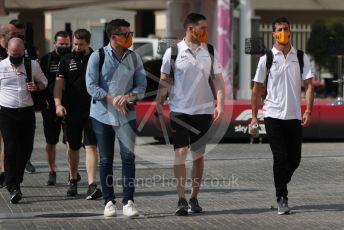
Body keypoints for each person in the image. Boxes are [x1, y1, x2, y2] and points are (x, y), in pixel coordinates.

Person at [157, 13, 225, 216]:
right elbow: (164, 79)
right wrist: (159, 103)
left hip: (203, 112)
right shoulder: (174, 52)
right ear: (190, 29)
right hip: (179, 110)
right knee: (180, 153)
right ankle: (181, 199)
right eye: (202, 28)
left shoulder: (210, 51)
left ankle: (194, 197)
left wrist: (220, 105)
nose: (206, 31)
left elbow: (219, 81)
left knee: (198, 156)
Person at [249, 17, 314, 215]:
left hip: (294, 115)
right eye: (279, 29)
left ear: (291, 32)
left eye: (285, 29)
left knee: (294, 159)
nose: (283, 32)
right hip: (272, 115)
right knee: (280, 157)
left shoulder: (301, 57)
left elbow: (309, 85)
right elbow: (256, 89)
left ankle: (279, 183)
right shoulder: (266, 58)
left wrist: (308, 110)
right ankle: (281, 197)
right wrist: (254, 117)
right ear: (273, 34)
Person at [86, 19, 147, 217]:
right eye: (126, 34)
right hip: (102, 115)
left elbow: (142, 86)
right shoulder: (98, 56)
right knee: (105, 160)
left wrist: (128, 96)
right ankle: (108, 201)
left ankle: (128, 201)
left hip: (126, 115)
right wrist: (112, 99)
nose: (130, 37)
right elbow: (91, 85)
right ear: (114, 37)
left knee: (128, 158)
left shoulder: (134, 57)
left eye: (131, 33)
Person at [54, 29, 102, 200]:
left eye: (80, 44)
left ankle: (91, 184)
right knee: (73, 146)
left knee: (91, 146)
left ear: (88, 43)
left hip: (92, 110)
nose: (76, 47)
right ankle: (73, 178)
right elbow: (59, 84)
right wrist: (58, 104)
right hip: (71, 110)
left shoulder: (97, 58)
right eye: (75, 43)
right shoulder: (66, 59)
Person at [0, 38, 47, 203]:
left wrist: (37, 86)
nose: (16, 57)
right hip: (6, 112)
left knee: (26, 149)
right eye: (13, 54)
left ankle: (16, 180)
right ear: (7, 51)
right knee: (11, 147)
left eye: (19, 54)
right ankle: (12, 186)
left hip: (27, 111)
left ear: (24, 51)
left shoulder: (32, 64)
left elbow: (45, 82)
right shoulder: (1, 66)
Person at [39, 31, 71, 186]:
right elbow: (39, 82)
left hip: (70, 107)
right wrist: (42, 102)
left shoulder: (73, 58)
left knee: (70, 141)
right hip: (50, 108)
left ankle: (73, 171)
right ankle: (52, 171)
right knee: (51, 141)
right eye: (61, 43)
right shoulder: (46, 60)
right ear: (54, 43)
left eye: (67, 43)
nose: (64, 46)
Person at [8, 19, 38, 173]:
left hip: (25, 101)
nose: (18, 35)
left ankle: (25, 160)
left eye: (21, 33)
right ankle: (5, 170)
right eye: (14, 33)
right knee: (8, 141)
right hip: (6, 104)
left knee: (24, 140)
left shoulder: (29, 49)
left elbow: (36, 71)